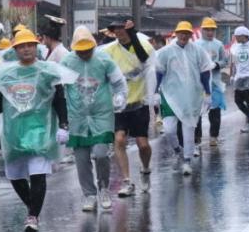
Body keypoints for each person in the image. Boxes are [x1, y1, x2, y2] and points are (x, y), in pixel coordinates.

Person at [0, 29, 75, 232]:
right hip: (13, 131)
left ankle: (33, 216)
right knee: (15, 176)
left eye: (29, 45)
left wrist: (64, 125)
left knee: (37, 173)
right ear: (15, 49)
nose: (26, 49)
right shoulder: (6, 74)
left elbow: (60, 100)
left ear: (36, 47)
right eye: (21, 46)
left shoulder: (48, 71)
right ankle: (32, 206)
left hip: (41, 129)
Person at [61, 26, 127, 212]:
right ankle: (89, 194)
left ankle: (104, 188)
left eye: (88, 50)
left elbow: (118, 82)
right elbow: (58, 89)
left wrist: (120, 96)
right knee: (81, 158)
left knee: (101, 154)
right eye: (80, 51)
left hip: (102, 114)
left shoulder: (104, 59)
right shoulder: (66, 62)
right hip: (77, 116)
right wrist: (62, 119)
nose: (84, 54)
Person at [100, 18, 154, 196]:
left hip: (139, 102)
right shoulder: (108, 51)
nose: (119, 32)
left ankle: (145, 169)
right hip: (118, 104)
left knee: (143, 145)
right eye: (116, 30)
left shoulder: (143, 46)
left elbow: (146, 61)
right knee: (120, 140)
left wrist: (133, 36)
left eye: (122, 29)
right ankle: (127, 181)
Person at [154, 21, 214, 176]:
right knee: (169, 129)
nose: (184, 36)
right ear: (176, 33)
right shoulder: (166, 51)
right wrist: (155, 92)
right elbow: (159, 71)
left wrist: (207, 93)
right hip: (170, 95)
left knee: (189, 129)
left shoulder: (197, 51)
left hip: (191, 95)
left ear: (190, 35)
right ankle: (177, 150)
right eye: (181, 32)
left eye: (187, 33)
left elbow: (205, 72)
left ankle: (187, 160)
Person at [191, 17, 229, 148]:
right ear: (202, 30)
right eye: (207, 29)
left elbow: (225, 61)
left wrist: (216, 64)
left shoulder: (218, 44)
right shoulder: (195, 45)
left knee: (215, 111)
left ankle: (214, 136)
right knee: (197, 112)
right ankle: (197, 137)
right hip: (199, 84)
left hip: (215, 84)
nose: (209, 32)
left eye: (212, 30)